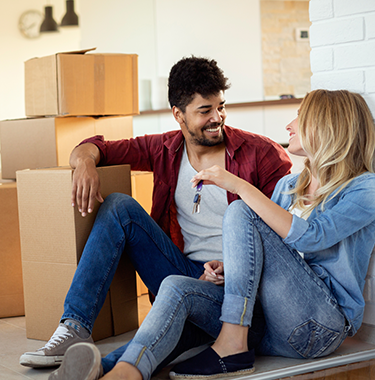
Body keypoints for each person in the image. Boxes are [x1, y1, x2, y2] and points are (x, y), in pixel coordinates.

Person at [47, 89, 375, 380]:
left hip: (319, 325)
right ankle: (118, 372)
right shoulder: (290, 187)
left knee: (241, 209)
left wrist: (238, 186)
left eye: (301, 117)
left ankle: (231, 344)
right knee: (176, 287)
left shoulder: (365, 188)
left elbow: (312, 236)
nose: (290, 123)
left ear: (328, 127)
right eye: (205, 110)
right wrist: (226, 269)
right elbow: (268, 253)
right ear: (179, 114)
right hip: (266, 323)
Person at [20, 56, 291, 370]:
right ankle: (75, 327)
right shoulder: (165, 149)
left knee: (172, 334)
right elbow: (97, 146)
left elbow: (283, 238)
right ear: (178, 114)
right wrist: (84, 164)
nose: (217, 118)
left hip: (239, 291)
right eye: (205, 111)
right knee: (119, 207)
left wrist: (232, 270)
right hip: (183, 273)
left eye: (221, 107)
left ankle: (98, 368)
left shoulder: (262, 154)